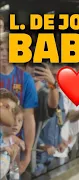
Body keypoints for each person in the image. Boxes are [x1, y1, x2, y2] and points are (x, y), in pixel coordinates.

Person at [0, 31, 38, 174]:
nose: (4, 54)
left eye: (8, 50)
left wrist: (28, 152)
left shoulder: (25, 79)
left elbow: (29, 117)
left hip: (16, 149)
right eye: (1, 49)